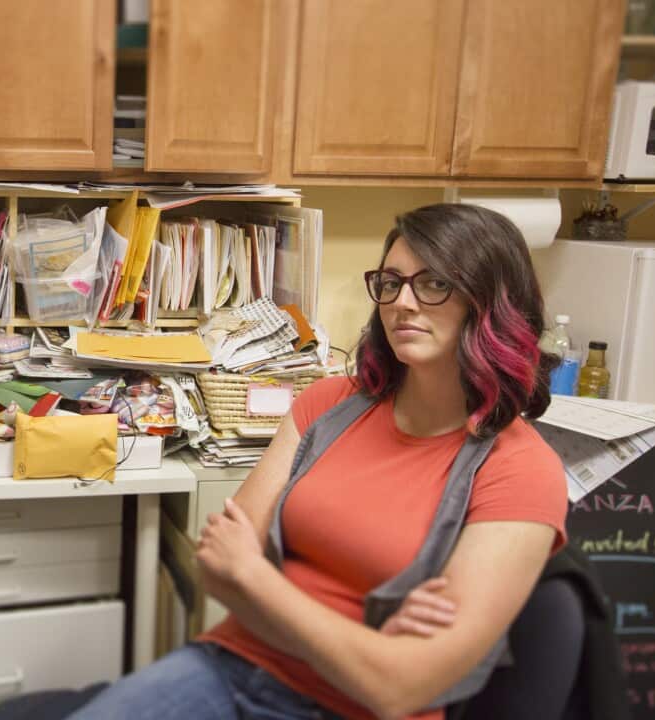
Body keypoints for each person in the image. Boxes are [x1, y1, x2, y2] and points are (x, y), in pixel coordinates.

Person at [68, 204, 568, 720]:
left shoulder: (520, 470)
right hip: (232, 664)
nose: (403, 303)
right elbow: (217, 566)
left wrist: (259, 582)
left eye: (434, 283)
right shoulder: (328, 404)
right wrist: (362, 645)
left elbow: (401, 688)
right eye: (391, 282)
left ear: (490, 301)